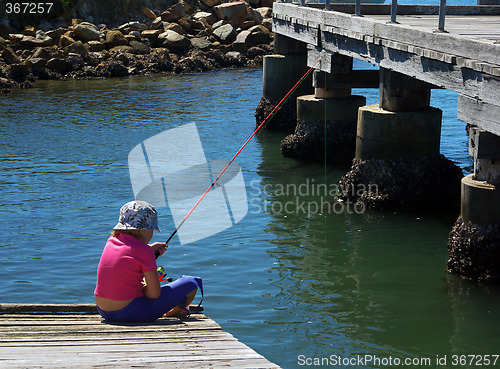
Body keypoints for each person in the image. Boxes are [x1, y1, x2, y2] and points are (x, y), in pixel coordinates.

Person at [94, 200, 202, 322]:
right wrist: (144, 286)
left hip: (104, 311)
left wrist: (150, 249)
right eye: (151, 230)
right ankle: (173, 313)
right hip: (130, 313)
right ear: (144, 229)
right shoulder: (144, 251)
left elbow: (127, 254)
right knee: (191, 282)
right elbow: (154, 294)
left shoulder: (111, 241)